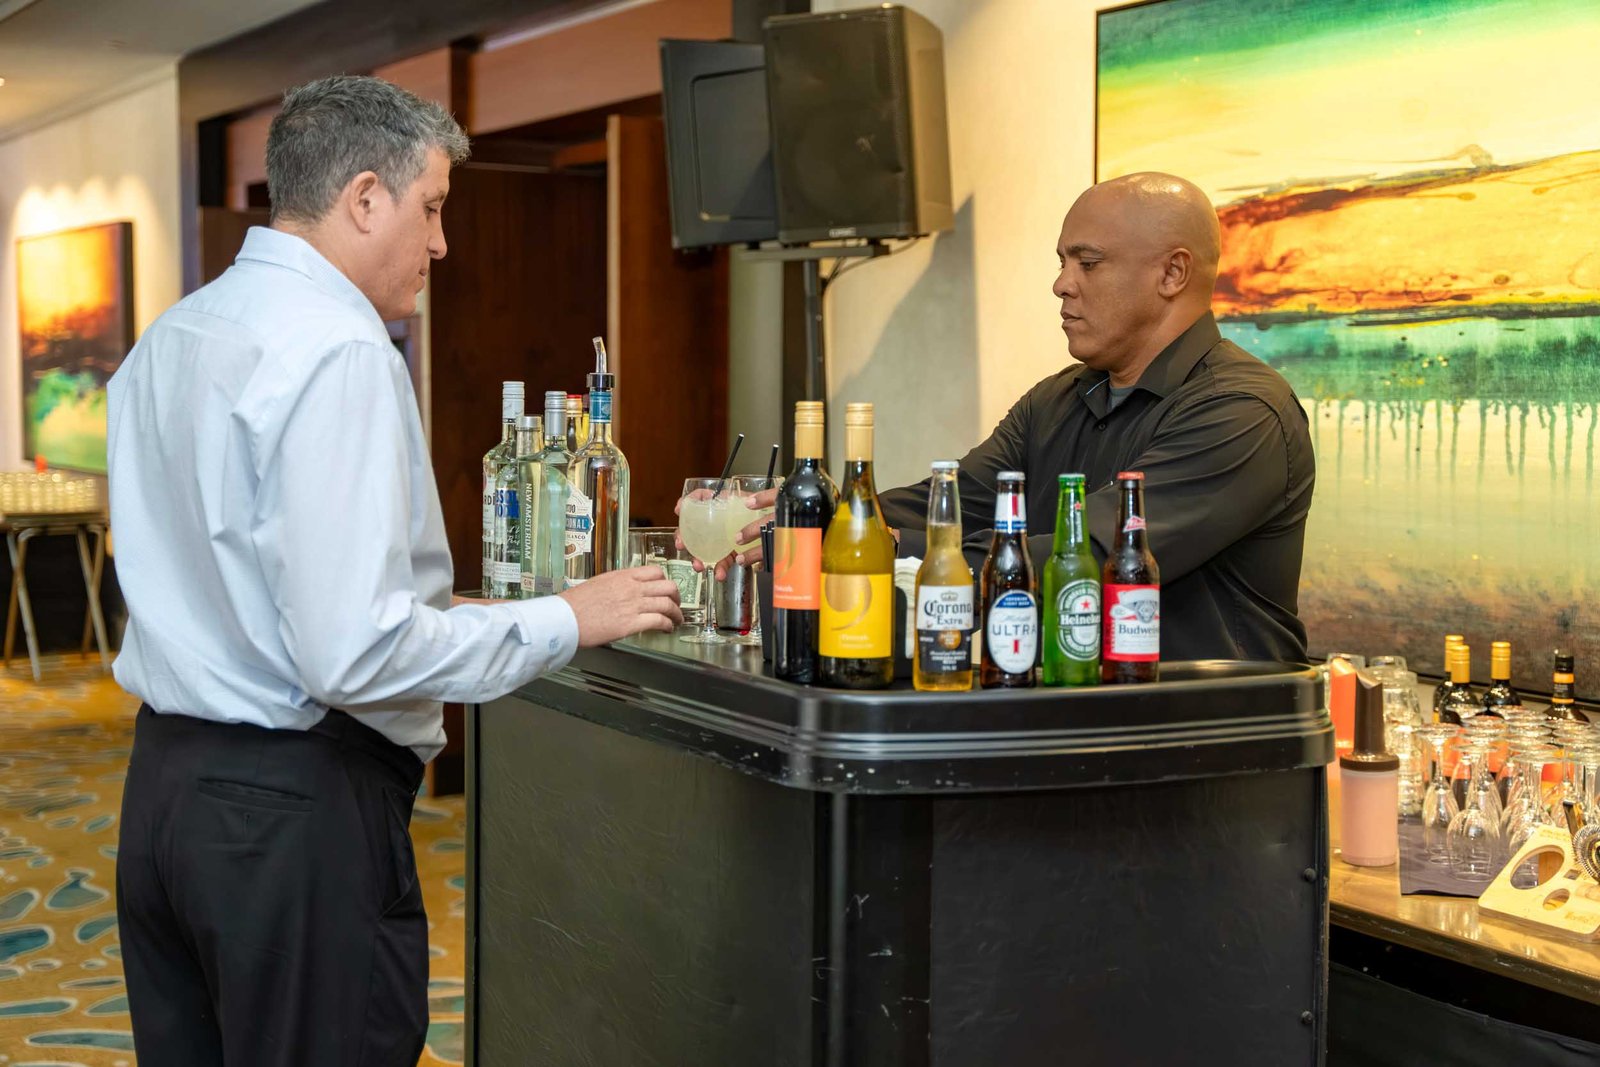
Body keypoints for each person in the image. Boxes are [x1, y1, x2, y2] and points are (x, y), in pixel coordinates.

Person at [107, 75, 681, 1067]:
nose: (442, 243)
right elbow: (353, 650)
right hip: (291, 812)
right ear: (365, 197)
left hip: (161, 796)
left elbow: (259, 583)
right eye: (433, 207)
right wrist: (566, 617)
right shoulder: (338, 348)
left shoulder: (176, 334)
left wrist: (473, 609)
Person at [719, 172, 1314, 663]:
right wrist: (827, 518)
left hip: (1207, 742)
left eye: (1088, 263)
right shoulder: (1055, 400)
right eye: (1063, 262)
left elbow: (1090, 555)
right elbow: (956, 503)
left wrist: (873, 548)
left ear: (1172, 274)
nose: (1061, 285)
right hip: (1072, 725)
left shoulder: (1242, 411)